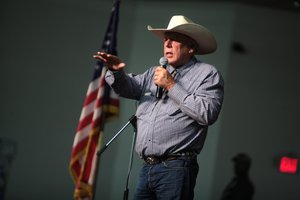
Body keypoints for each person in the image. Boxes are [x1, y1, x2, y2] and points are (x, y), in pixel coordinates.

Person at [94, 15, 224, 200]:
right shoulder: (153, 73)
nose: (167, 43)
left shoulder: (207, 74)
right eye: (166, 39)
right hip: (147, 167)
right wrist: (115, 70)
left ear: (191, 47)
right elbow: (126, 87)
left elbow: (207, 114)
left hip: (176, 168)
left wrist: (171, 86)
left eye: (174, 39)